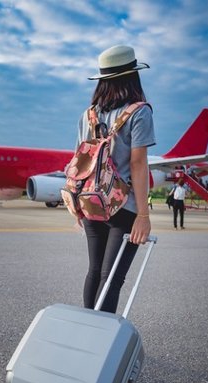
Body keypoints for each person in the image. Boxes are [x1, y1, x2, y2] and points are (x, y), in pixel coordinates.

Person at [76, 44, 154, 314]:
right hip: (123, 206)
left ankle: (87, 336)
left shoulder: (88, 115)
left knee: (95, 272)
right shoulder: (139, 112)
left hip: (91, 202)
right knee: (112, 279)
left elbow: (81, 162)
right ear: (133, 76)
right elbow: (138, 163)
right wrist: (143, 215)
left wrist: (78, 205)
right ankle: (100, 343)